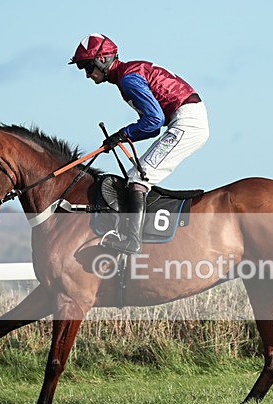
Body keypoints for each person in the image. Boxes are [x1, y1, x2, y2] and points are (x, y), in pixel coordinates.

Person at [69, 33, 209, 254]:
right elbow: (153, 127)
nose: (87, 75)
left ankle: (131, 240)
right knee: (139, 174)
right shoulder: (128, 74)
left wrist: (123, 134)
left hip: (187, 122)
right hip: (185, 119)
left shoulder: (128, 79)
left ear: (102, 60)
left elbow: (154, 120)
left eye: (87, 67)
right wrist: (123, 136)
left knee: (137, 177)